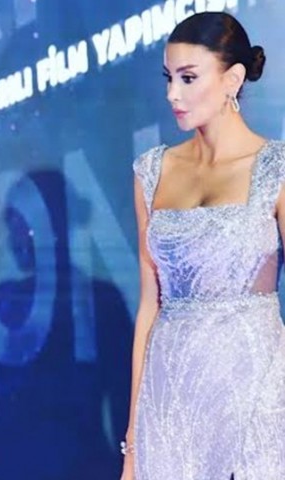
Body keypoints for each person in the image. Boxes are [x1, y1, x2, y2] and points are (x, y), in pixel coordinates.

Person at [122, 11, 285, 480]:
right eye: (169, 78)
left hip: (257, 391)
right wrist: (133, 444)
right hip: (170, 398)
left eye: (189, 78)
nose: (173, 94)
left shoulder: (276, 168)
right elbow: (149, 307)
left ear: (233, 79)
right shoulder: (151, 172)